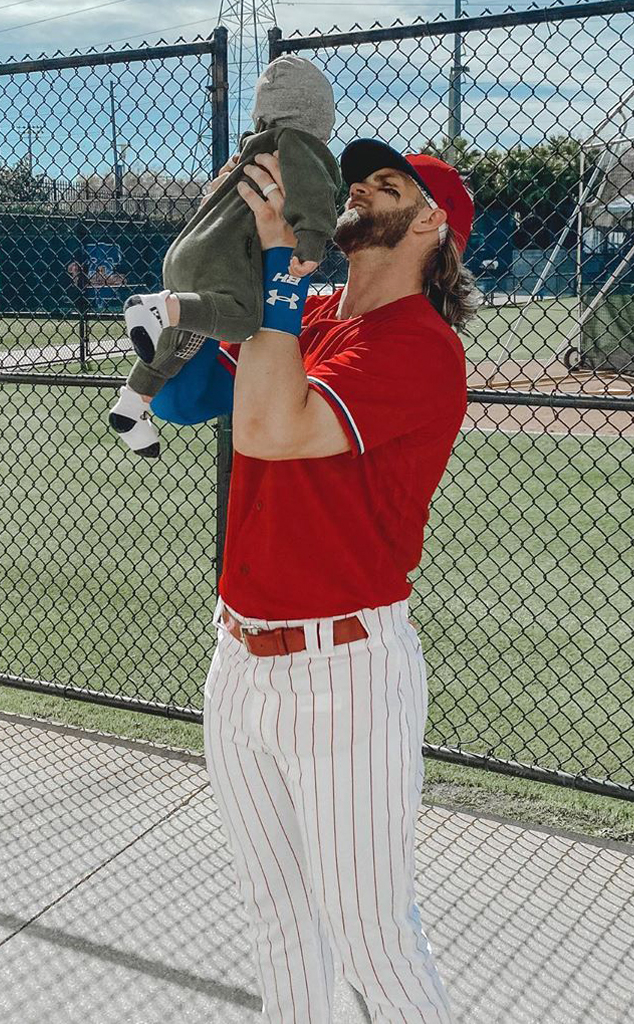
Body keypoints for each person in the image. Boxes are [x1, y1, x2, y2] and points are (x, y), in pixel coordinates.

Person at [203, 137, 479, 1024]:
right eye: (358, 179)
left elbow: (273, 429)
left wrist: (281, 265)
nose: (360, 189)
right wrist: (228, 225)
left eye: (388, 184)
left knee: (370, 938)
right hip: (238, 656)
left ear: (434, 227)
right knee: (278, 921)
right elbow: (202, 376)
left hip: (343, 672)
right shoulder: (311, 312)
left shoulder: (422, 346)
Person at [107, 54, 340, 458]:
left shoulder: (250, 149)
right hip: (221, 261)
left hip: (187, 251)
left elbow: (180, 404)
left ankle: (133, 403)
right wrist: (310, 240)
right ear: (319, 117)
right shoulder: (299, 145)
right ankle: (162, 308)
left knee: (187, 333)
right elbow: (315, 194)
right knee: (242, 318)